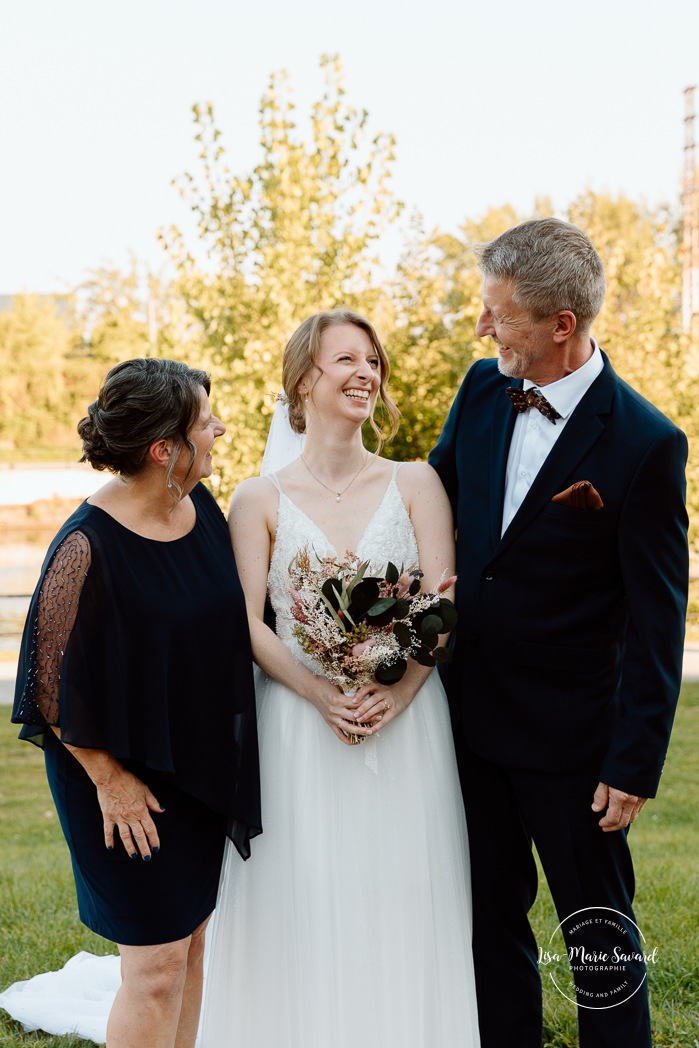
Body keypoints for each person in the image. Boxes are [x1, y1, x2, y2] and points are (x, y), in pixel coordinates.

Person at [429, 218, 689, 1048]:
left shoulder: (646, 442)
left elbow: (658, 617)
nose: (481, 328)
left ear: (560, 326)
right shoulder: (478, 388)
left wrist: (632, 760)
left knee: (598, 934)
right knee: (487, 923)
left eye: (497, 314)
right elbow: (430, 506)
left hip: (575, 742)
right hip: (466, 722)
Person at [199, 309, 480, 1046]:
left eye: (373, 363)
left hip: (407, 727)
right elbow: (250, 626)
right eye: (346, 360)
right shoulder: (258, 499)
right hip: (298, 726)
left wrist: (399, 693)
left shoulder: (415, 481)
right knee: (307, 892)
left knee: (403, 890)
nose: (365, 373)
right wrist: (322, 692)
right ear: (303, 379)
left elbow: (442, 603)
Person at [5, 359, 262, 1048]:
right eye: (206, 422)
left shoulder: (200, 506)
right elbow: (45, 689)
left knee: (193, 944)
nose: (219, 430)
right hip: (120, 781)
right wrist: (111, 782)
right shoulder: (84, 548)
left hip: (198, 766)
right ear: (164, 449)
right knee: (153, 969)